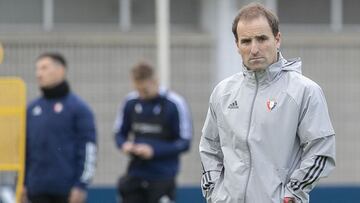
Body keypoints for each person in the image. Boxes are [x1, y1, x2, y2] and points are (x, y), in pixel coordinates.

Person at [199, 3, 335, 203]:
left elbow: (321, 151)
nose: (254, 49)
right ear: (237, 45)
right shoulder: (222, 92)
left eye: (261, 38)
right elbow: (209, 146)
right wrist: (214, 193)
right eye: (246, 41)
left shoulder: (304, 91)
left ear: (277, 39)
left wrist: (292, 195)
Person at [113, 61, 193, 203]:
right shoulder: (130, 102)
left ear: (155, 81)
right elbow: (119, 133)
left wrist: (153, 150)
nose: (141, 94)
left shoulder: (174, 103)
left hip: (162, 177)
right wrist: (125, 145)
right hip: (135, 174)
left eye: (145, 90)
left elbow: (184, 142)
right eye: (138, 90)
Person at [23, 53, 97, 203]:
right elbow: (24, 149)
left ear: (61, 70)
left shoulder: (79, 108)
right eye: (37, 69)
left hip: (67, 193)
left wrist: (81, 186)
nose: (38, 74)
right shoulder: (31, 109)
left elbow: (89, 149)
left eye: (44, 68)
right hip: (35, 191)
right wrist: (23, 184)